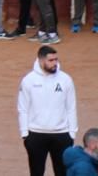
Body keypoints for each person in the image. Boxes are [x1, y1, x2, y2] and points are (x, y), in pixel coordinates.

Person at [19, 45, 78, 176]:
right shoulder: (29, 80)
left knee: (62, 172)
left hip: (62, 134)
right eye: (50, 60)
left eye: (56, 60)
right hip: (36, 134)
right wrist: (25, 133)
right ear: (41, 61)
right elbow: (23, 108)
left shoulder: (65, 79)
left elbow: (71, 107)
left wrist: (72, 133)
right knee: (36, 172)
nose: (55, 63)